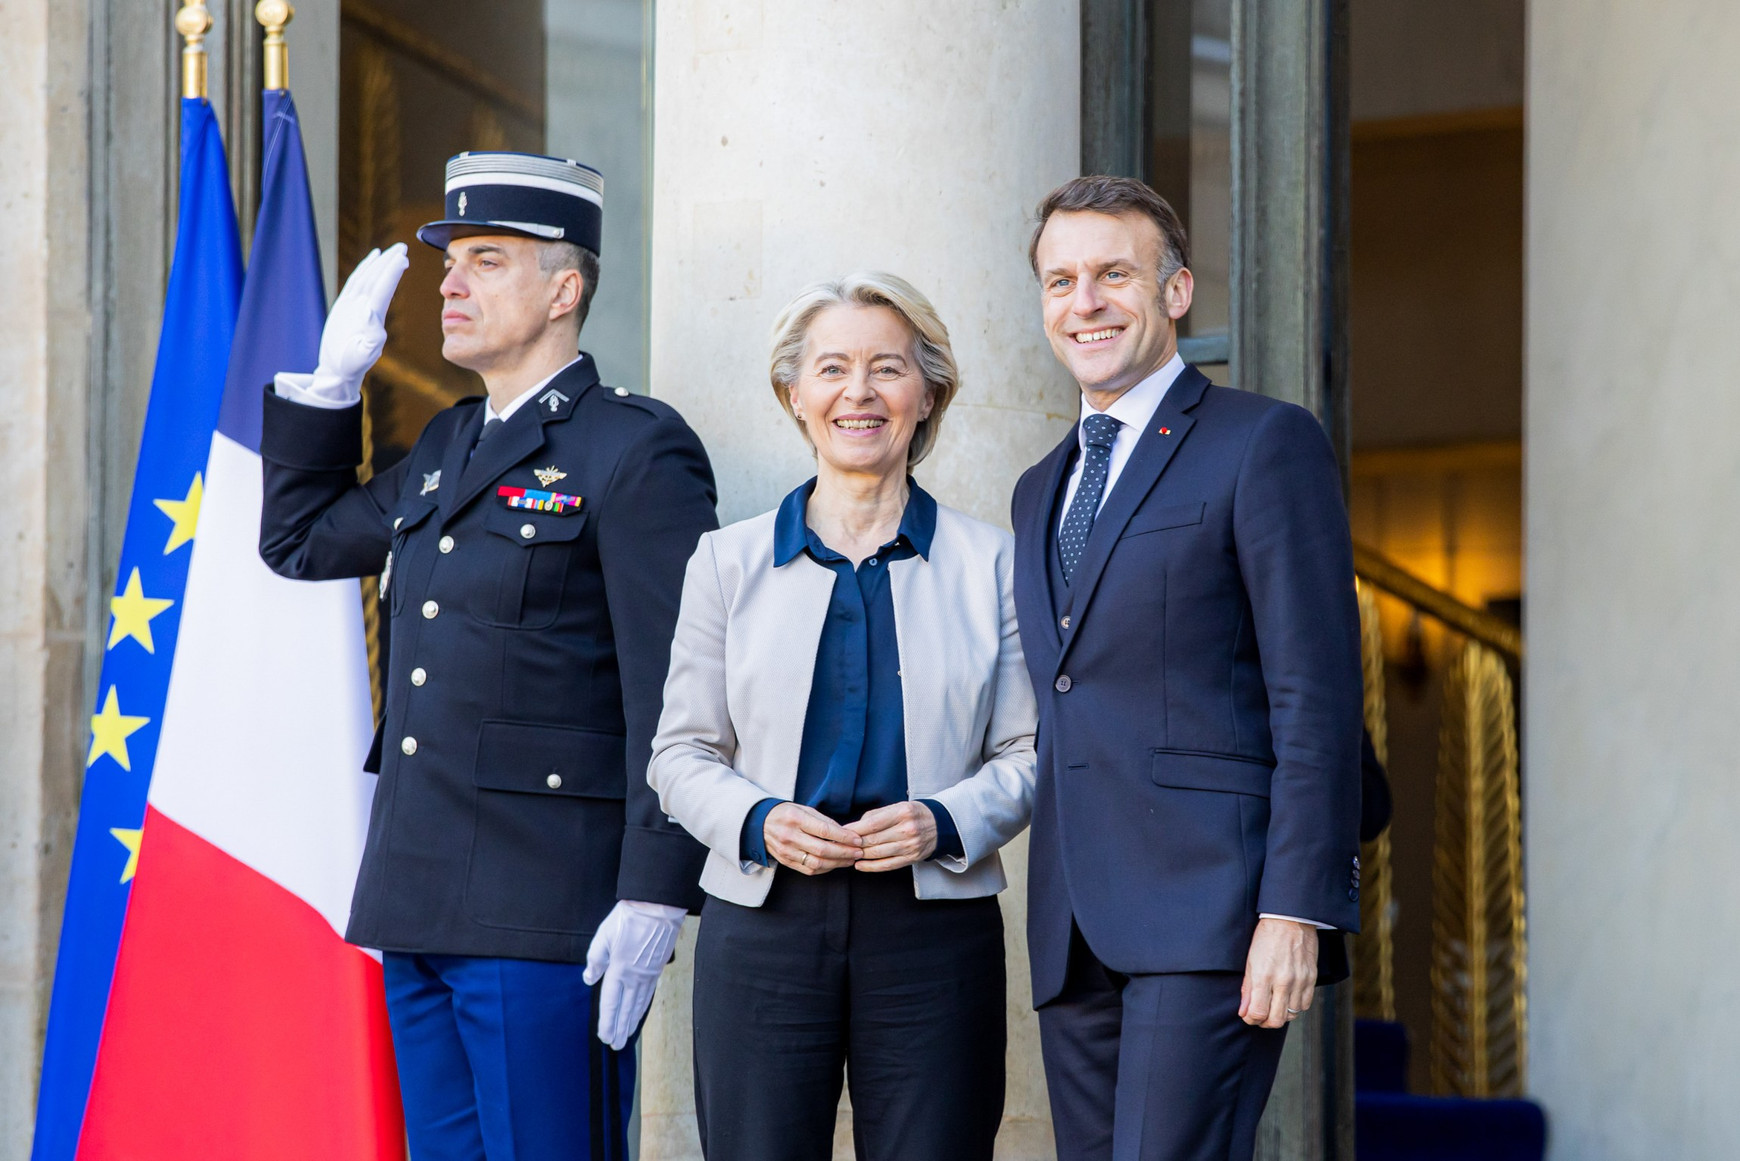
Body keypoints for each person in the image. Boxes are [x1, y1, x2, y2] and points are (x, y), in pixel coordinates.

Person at [256, 151, 717, 1160]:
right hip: (419, 899)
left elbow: (676, 692)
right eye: (451, 261)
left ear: (565, 289)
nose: (451, 284)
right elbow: (300, 541)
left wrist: (655, 887)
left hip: (547, 909)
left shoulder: (633, 451)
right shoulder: (446, 447)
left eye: (486, 260)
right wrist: (330, 388)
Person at [647, 272, 1038, 1161]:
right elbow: (679, 752)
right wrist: (756, 819)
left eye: (887, 368)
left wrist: (943, 819)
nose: (858, 393)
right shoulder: (725, 563)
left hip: (934, 926)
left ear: (928, 391)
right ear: (794, 393)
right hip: (763, 917)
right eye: (831, 368)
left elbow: (1029, 750)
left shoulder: (994, 565)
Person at [1012, 174, 1363, 1160]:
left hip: (1212, 909)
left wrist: (1294, 911)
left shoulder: (1263, 442)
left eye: (1113, 274)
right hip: (1074, 924)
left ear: (1176, 292)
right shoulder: (1039, 488)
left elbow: (1316, 697)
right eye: (1060, 281)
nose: (1084, 302)